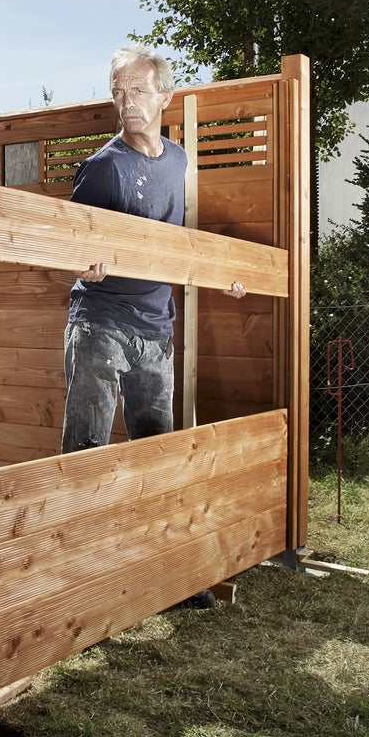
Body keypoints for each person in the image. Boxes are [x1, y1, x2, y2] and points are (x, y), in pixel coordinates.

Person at [61, 43, 243, 608]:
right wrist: (83, 265)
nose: (126, 102)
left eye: (137, 90)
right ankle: (79, 571)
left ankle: (162, 569)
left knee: (156, 445)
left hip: (156, 327)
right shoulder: (102, 168)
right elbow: (70, 243)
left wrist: (224, 276)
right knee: (89, 442)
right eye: (118, 91)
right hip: (100, 322)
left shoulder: (180, 162)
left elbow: (182, 242)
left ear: (164, 95)